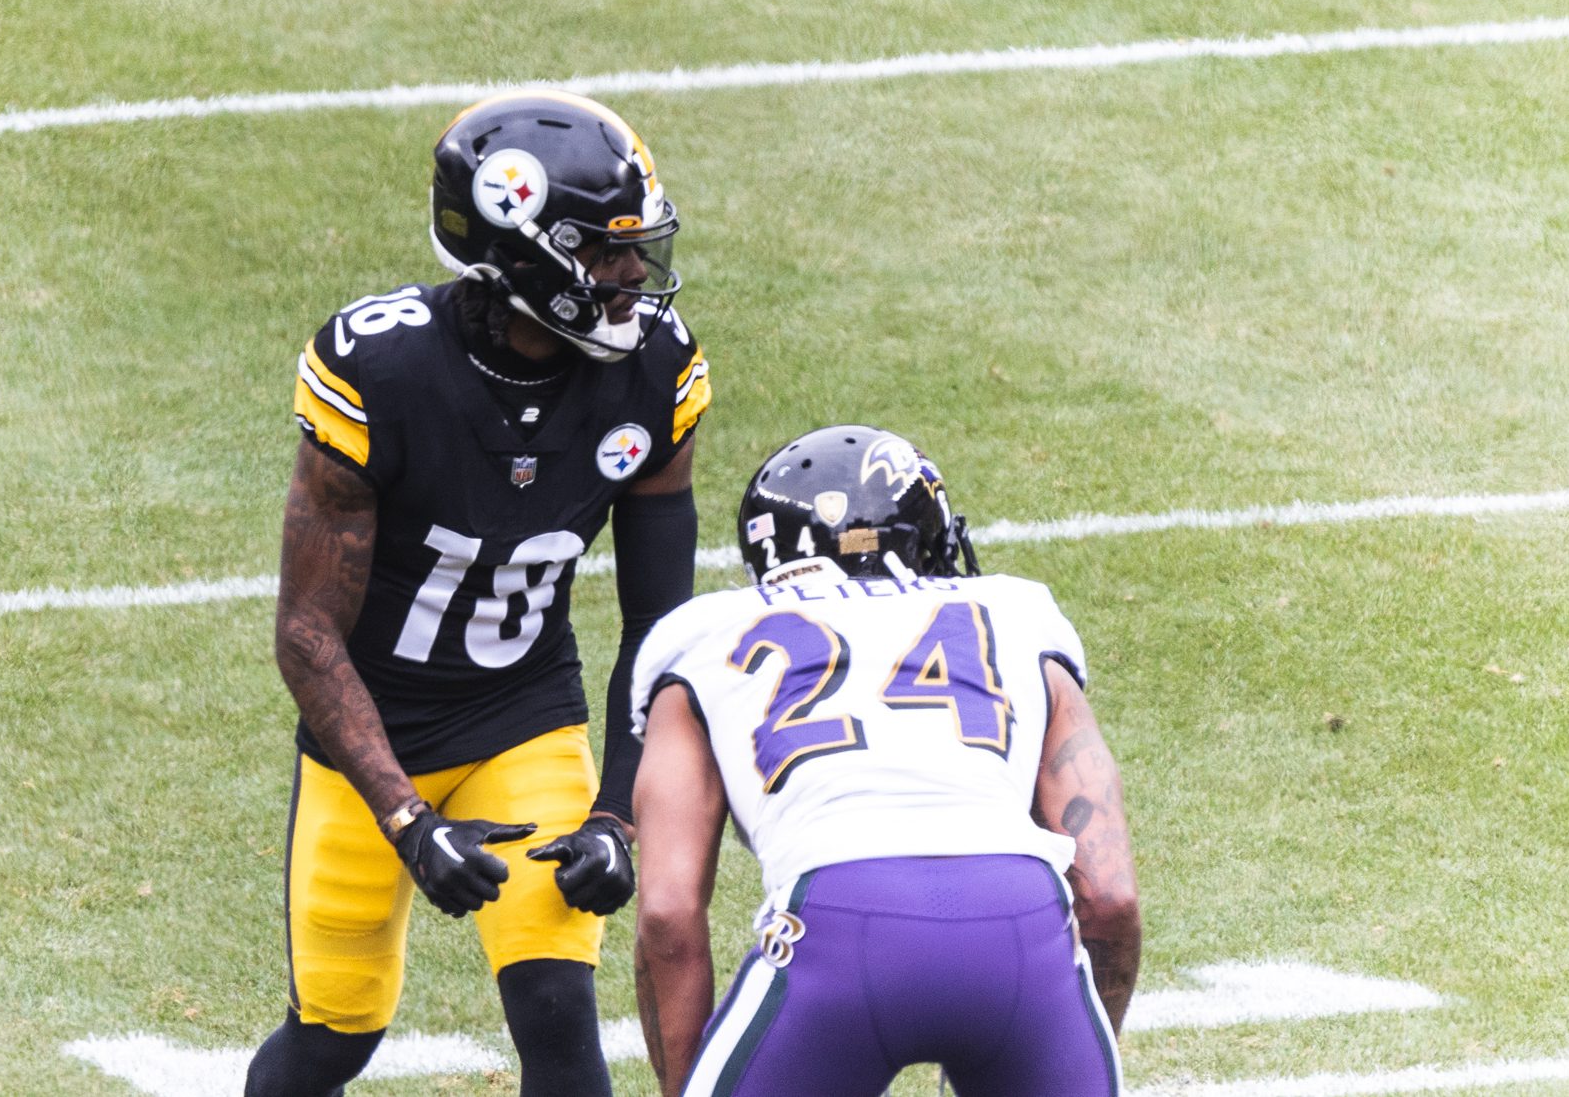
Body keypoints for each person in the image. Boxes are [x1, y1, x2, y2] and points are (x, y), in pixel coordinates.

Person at [244, 91, 713, 1097]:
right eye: (600, 252)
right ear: (520, 254)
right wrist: (407, 820)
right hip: (372, 732)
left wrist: (617, 817)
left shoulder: (654, 375)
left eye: (636, 248)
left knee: (556, 1017)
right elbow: (306, 634)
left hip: (521, 716)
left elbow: (659, 630)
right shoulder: (383, 368)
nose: (632, 274)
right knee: (333, 1035)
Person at [630, 425, 1140, 1097]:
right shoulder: (1014, 613)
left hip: (837, 927)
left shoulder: (702, 637)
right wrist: (1068, 1028)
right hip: (1017, 928)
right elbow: (1109, 895)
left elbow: (666, 910)